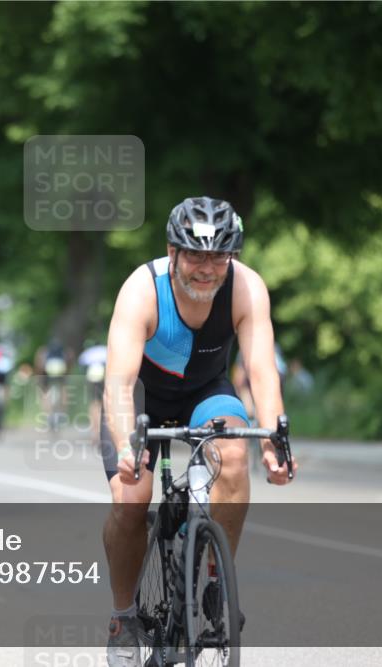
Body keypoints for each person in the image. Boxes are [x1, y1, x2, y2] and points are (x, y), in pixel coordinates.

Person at [99, 196, 298, 665]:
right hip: (141, 400)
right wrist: (128, 444)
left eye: (219, 256)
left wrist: (274, 440)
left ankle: (212, 582)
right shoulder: (141, 290)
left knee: (232, 458)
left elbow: (262, 372)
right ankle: (123, 617)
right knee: (132, 498)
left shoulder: (247, 288)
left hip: (207, 393)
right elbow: (119, 383)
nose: (207, 268)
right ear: (172, 252)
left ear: (233, 255)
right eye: (195, 255)